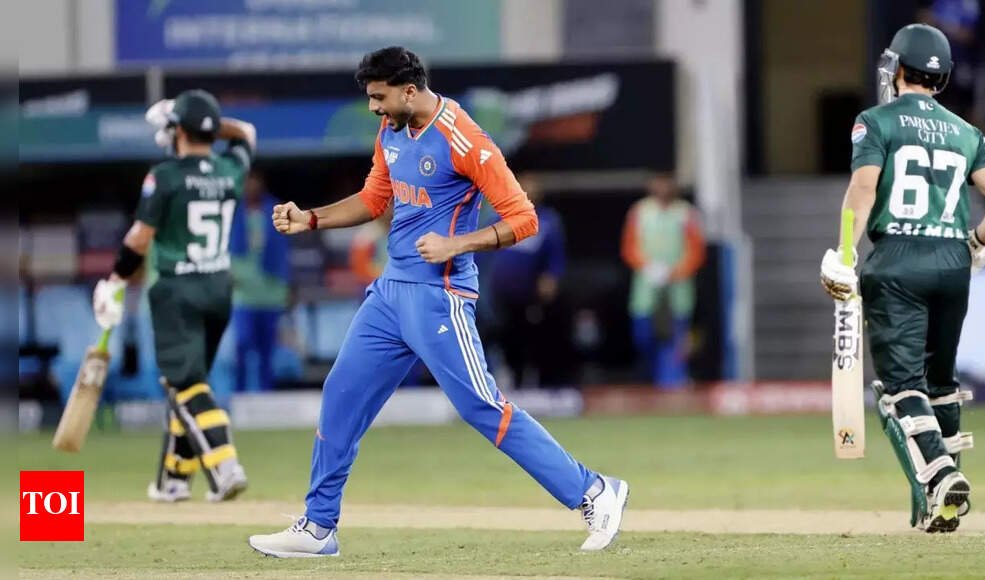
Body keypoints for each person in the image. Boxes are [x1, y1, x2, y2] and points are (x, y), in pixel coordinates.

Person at [247, 47, 628, 558]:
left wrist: (456, 244)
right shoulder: (392, 130)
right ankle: (318, 527)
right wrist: (311, 218)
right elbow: (374, 199)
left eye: (379, 97)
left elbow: (524, 219)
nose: (373, 108)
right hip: (389, 294)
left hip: (439, 297)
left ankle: (594, 491)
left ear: (409, 91)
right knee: (341, 394)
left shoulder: (464, 137)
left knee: (481, 406)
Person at [819, 23, 985, 533]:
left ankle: (943, 475)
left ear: (898, 68)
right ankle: (944, 504)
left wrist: (845, 254)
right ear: (942, 76)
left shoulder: (875, 121)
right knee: (941, 384)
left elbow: (863, 190)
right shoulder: (967, 132)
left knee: (902, 387)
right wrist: (974, 243)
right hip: (952, 264)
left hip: (897, 261)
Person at [92, 90, 257, 503]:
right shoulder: (230, 169)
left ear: (179, 130)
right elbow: (246, 133)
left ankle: (225, 464)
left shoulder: (164, 175)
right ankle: (173, 479)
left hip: (176, 291)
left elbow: (139, 238)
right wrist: (200, 122)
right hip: (218, 290)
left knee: (184, 382)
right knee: (190, 384)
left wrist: (114, 280)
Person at [621, 174, 706, 389]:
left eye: (667, 183)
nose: (662, 188)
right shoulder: (640, 211)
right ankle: (650, 376)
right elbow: (629, 247)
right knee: (643, 335)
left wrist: (675, 272)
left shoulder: (685, 213)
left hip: (678, 285)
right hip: (647, 284)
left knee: (677, 336)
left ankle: (673, 379)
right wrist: (648, 267)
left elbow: (696, 250)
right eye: (658, 183)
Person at [485, 173, 569, 388]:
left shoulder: (548, 221)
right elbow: (480, 249)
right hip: (501, 291)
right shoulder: (500, 217)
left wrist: (551, 277)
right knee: (504, 335)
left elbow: (556, 255)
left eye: (534, 190)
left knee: (533, 336)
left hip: (530, 292)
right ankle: (510, 376)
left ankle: (536, 380)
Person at [230, 169, 291, 393]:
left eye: (254, 182)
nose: (251, 187)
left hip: (270, 292)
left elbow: (284, 254)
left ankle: (266, 395)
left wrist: (287, 287)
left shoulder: (275, 211)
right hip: (242, 293)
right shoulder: (233, 213)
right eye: (246, 182)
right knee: (242, 344)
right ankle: (239, 393)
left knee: (267, 349)